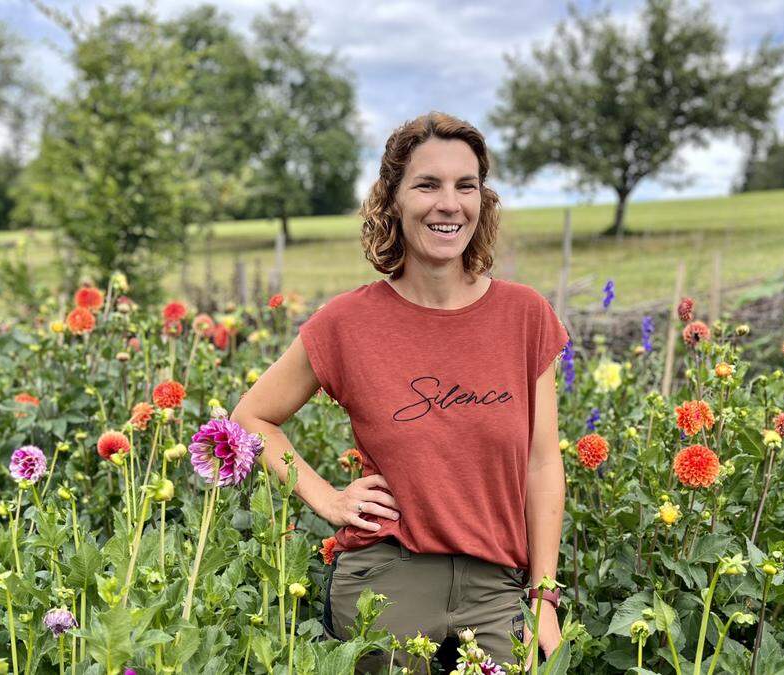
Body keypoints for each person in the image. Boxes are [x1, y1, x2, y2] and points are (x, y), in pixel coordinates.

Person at [230, 111, 568, 672]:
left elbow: (541, 463)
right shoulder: (348, 323)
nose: (448, 203)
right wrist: (327, 498)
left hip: (496, 587)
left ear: (482, 200)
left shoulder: (524, 315)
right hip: (386, 580)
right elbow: (250, 418)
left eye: (466, 185)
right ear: (392, 200)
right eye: (427, 184)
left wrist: (543, 598)